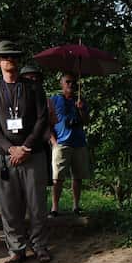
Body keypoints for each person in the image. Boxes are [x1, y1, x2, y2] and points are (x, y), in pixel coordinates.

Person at [0, 40, 51, 263]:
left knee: (37, 204)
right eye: (4, 57)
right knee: (9, 206)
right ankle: (16, 249)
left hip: (32, 154)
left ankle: (40, 246)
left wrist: (26, 147)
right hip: (3, 156)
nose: (9, 60)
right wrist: (10, 148)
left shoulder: (33, 88)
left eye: (13, 56)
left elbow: (42, 119)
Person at [48, 72, 90, 216]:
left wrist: (81, 109)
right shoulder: (54, 100)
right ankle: (54, 208)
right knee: (57, 178)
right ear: (61, 84)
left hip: (79, 142)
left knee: (77, 177)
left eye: (74, 82)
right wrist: (53, 142)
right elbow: (47, 123)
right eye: (68, 82)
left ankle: (76, 206)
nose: (71, 85)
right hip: (61, 143)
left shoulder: (80, 101)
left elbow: (86, 121)